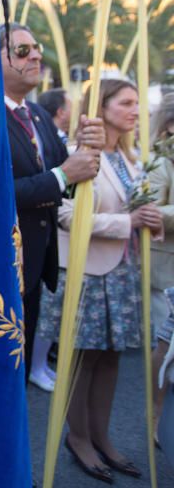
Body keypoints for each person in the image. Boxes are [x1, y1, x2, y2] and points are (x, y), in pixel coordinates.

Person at [37, 79, 161, 483]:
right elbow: (67, 216)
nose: (135, 109)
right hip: (87, 271)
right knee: (82, 360)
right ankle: (80, 438)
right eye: (126, 102)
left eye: (137, 103)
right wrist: (128, 222)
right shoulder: (81, 157)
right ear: (102, 107)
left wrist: (150, 221)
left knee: (110, 358)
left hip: (124, 270)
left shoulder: (132, 159)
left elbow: (141, 209)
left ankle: (103, 437)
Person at [0, 23, 104, 385]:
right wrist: (64, 175)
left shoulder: (40, 116)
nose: (36, 56)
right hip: (1, 263)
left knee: (21, 369)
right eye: (22, 50)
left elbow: (68, 184)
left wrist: (88, 152)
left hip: (38, 260)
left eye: (37, 49)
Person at [147, 94, 174, 443]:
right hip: (169, 270)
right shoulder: (159, 161)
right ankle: (156, 413)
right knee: (166, 346)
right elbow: (149, 211)